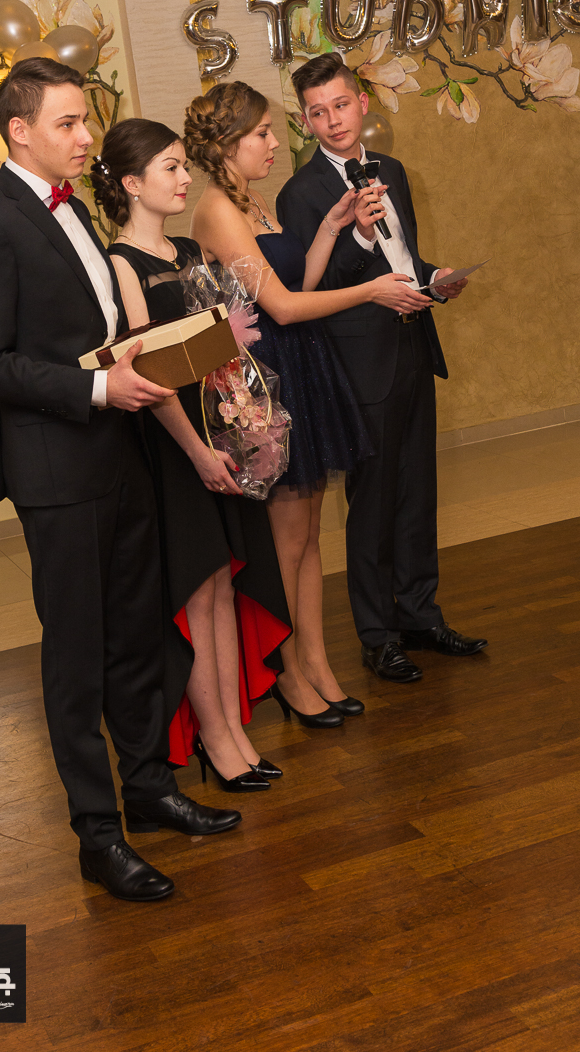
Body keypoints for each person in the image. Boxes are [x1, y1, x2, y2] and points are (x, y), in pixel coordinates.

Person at [0, 57, 240, 905]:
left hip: (119, 456)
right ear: (20, 132)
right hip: (58, 473)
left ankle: (147, 790)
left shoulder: (73, 210)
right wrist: (99, 388)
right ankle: (97, 835)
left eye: (85, 120)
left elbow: (95, 335)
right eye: (68, 123)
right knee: (77, 657)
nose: (86, 138)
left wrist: (160, 353)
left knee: (136, 634)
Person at [185, 81, 415, 729]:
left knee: (309, 537)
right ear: (228, 142)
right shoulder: (217, 210)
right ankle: (287, 673)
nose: (273, 143)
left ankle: (316, 663)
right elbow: (281, 308)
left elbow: (298, 282)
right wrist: (370, 290)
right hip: (267, 382)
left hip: (301, 368)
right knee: (284, 544)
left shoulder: (253, 199)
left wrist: (332, 228)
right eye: (261, 133)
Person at [93, 117, 291, 792]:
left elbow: (213, 352)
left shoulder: (184, 249)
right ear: (131, 183)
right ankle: (215, 738)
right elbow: (148, 376)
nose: (184, 179)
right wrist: (198, 453)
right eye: (171, 168)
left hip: (214, 434)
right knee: (198, 590)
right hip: (173, 445)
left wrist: (243, 418)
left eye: (184, 165)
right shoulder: (120, 264)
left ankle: (233, 731)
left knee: (224, 584)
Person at [277, 52, 487, 683]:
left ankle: (421, 614)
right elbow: (313, 290)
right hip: (356, 363)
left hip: (412, 347)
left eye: (341, 105)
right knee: (371, 503)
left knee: (417, 491)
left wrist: (435, 277)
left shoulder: (391, 170)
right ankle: (377, 635)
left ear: (362, 103)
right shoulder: (300, 193)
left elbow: (404, 260)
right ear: (307, 122)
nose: (333, 120)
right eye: (318, 112)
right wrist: (360, 237)